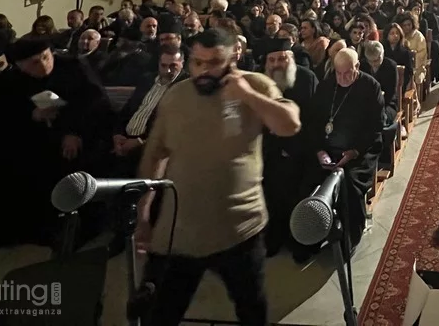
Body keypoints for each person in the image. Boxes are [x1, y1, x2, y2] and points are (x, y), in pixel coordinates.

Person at [136, 27, 302, 326]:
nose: (203, 71)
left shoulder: (255, 85)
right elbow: (155, 155)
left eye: (213, 63)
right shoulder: (176, 97)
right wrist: (144, 214)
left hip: (240, 226)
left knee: (251, 309)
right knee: (158, 313)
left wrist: (247, 95)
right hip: (179, 230)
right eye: (197, 62)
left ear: (232, 61)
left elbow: (289, 125)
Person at [0, 37, 112, 246]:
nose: (44, 65)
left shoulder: (74, 67)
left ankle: (75, 229)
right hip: (34, 137)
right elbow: (2, 114)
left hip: (82, 135)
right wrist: (32, 115)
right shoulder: (13, 80)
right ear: (20, 66)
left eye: (46, 58)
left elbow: (96, 103)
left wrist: (74, 132)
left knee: (69, 163)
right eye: (34, 63)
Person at [305, 48, 384, 248]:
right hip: (326, 150)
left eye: (347, 72)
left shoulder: (370, 86)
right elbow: (313, 122)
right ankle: (315, 234)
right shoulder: (326, 86)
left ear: (357, 66)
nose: (342, 78)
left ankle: (349, 239)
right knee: (305, 174)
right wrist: (319, 150)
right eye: (338, 73)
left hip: (359, 150)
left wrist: (354, 151)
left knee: (348, 182)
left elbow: (376, 127)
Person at [260, 37, 318, 259]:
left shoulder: (307, 79)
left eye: (282, 58)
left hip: (301, 151)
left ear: (291, 58)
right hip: (270, 150)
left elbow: (314, 122)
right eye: (272, 60)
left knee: (298, 187)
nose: (277, 64)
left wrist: (290, 148)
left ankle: (300, 241)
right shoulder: (262, 83)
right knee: (270, 189)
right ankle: (274, 237)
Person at [110, 47, 186, 177]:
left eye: (173, 66)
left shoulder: (184, 87)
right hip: (124, 137)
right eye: (164, 65)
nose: (168, 70)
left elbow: (171, 125)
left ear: (182, 64)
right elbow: (128, 109)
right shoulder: (147, 79)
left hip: (150, 143)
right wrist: (117, 134)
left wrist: (139, 141)